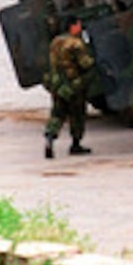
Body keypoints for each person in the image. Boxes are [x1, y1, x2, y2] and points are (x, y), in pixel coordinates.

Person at [42, 15, 94, 159]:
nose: (80, 27)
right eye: (78, 24)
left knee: (57, 114)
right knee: (77, 115)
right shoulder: (75, 44)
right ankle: (75, 144)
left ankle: (50, 138)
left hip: (57, 85)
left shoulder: (55, 42)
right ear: (73, 26)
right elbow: (85, 64)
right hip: (74, 85)